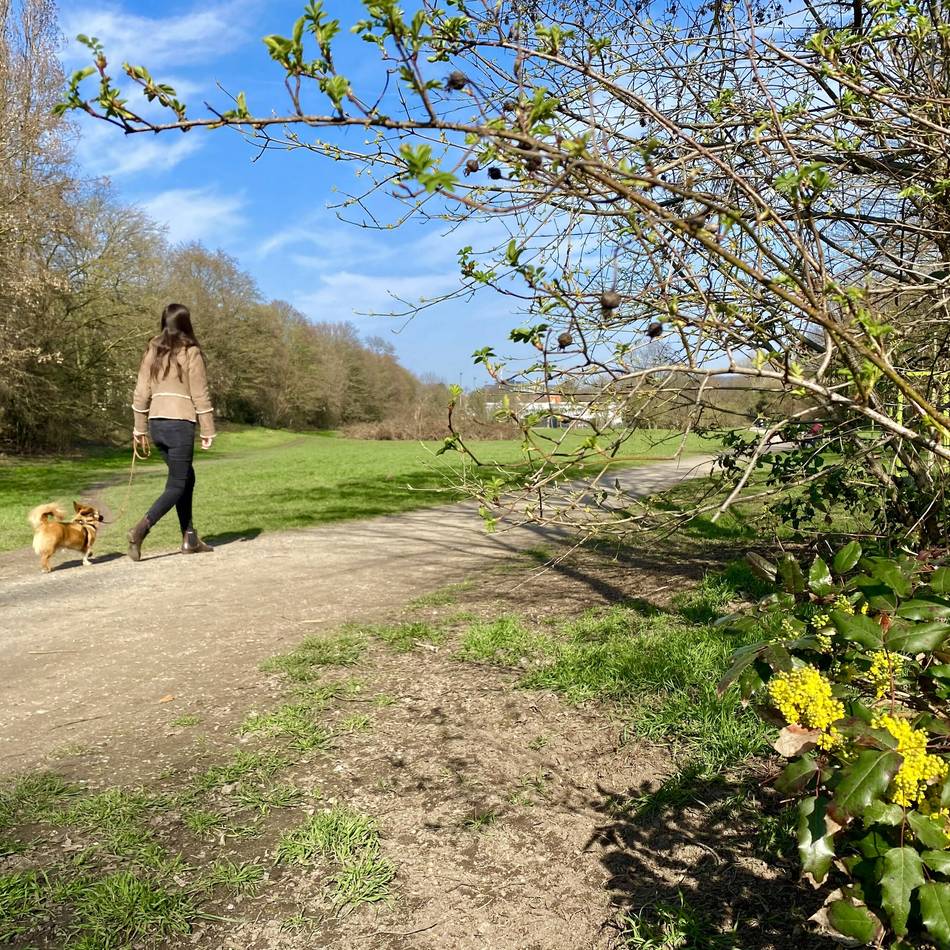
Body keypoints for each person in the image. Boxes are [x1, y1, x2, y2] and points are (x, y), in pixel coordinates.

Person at [127, 303, 216, 561]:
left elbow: (141, 392)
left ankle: (189, 538)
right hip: (179, 424)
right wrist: (207, 429)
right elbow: (200, 392)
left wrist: (139, 428)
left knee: (186, 477)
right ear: (186, 323)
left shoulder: (152, 350)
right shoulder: (191, 352)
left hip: (156, 424)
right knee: (178, 484)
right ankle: (141, 528)